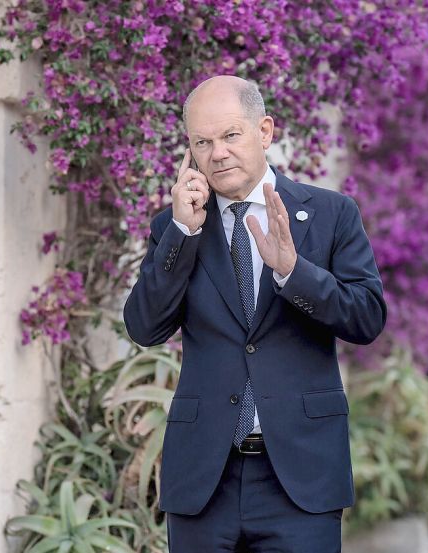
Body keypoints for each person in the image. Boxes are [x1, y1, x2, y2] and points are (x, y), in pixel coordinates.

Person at [123, 75, 387, 552]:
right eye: (202, 142)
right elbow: (145, 327)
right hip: (205, 479)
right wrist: (182, 233)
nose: (217, 153)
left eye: (230, 136)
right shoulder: (175, 226)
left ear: (264, 131)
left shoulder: (330, 214)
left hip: (300, 479)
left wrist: (293, 272)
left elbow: (366, 318)